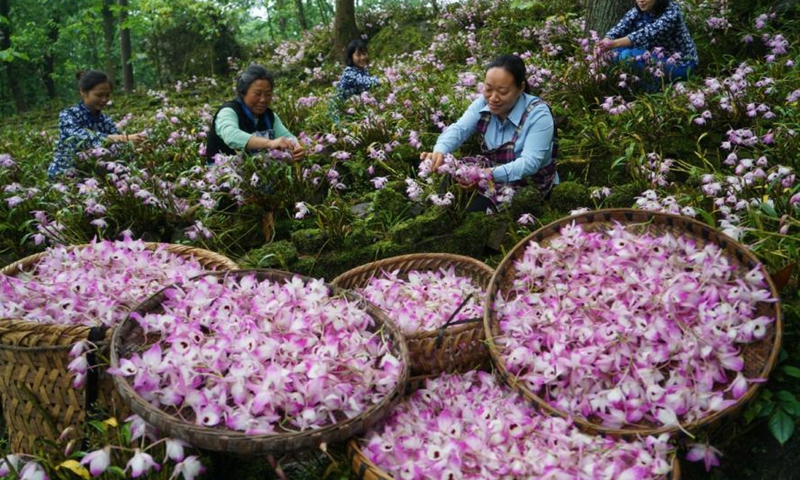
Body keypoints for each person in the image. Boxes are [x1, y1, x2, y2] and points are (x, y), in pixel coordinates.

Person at [419, 54, 558, 205]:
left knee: (478, 209)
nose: (493, 98)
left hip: (528, 180)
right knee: (453, 175)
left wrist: (486, 175)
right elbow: (460, 129)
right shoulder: (483, 104)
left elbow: (530, 163)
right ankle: (436, 211)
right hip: (491, 169)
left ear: (521, 88)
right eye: (488, 89)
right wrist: (440, 150)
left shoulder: (538, 114)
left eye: (503, 91)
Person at [48, 70, 146, 178]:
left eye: (107, 95)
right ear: (83, 92)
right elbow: (82, 138)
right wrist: (124, 138)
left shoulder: (105, 120)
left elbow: (117, 148)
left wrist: (136, 150)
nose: (104, 100)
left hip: (91, 177)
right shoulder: (68, 115)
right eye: (99, 95)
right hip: (63, 176)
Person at [205, 64, 304, 162]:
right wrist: (270, 143)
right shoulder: (228, 111)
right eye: (257, 94)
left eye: (268, 94)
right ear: (243, 92)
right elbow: (231, 135)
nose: (263, 100)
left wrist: (297, 147)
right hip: (223, 173)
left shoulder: (269, 116)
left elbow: (287, 136)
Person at [598, 0, 698, 85]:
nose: (641, 0)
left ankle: (652, 89)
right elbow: (618, 29)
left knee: (627, 56)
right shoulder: (637, 12)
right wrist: (606, 40)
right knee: (613, 54)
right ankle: (633, 85)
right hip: (654, 58)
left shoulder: (672, 12)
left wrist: (613, 43)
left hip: (681, 64)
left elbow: (647, 34)